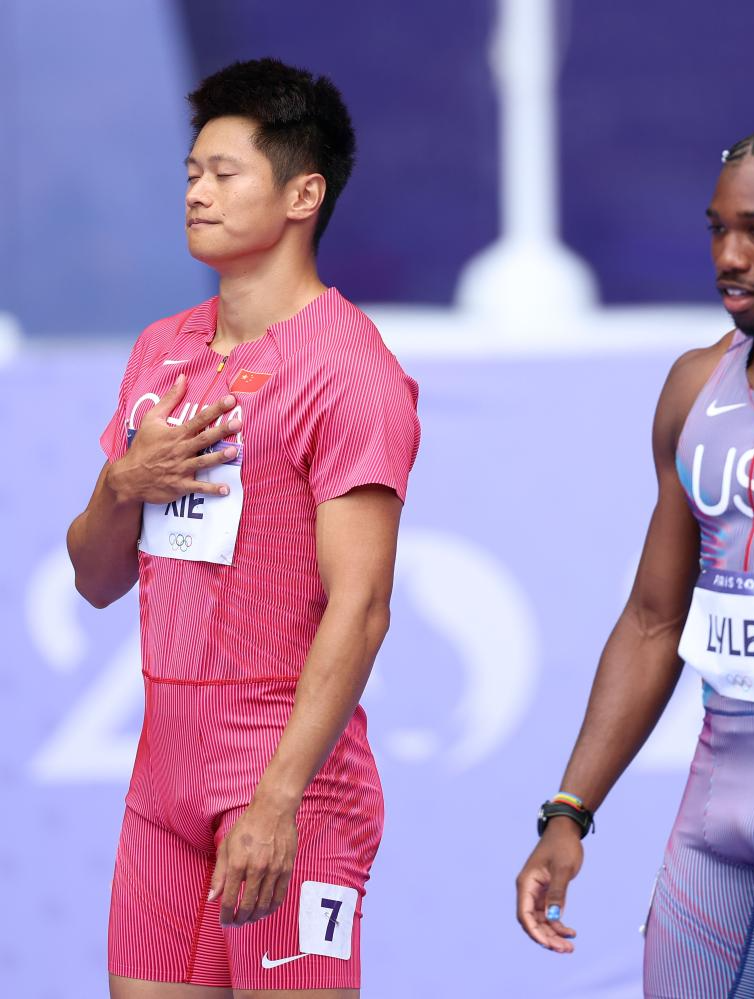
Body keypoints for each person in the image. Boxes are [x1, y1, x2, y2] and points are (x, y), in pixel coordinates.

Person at [67, 58, 420, 999]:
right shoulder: (162, 350)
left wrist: (278, 794)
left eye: (225, 174)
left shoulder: (349, 369)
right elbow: (96, 579)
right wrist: (122, 482)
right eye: (192, 173)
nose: (197, 193)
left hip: (286, 779)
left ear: (304, 194)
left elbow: (363, 605)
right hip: (163, 778)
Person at [516, 119, 754, 997]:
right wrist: (569, 811)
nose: (729, 257)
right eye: (718, 229)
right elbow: (652, 619)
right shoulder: (694, 386)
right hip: (719, 800)